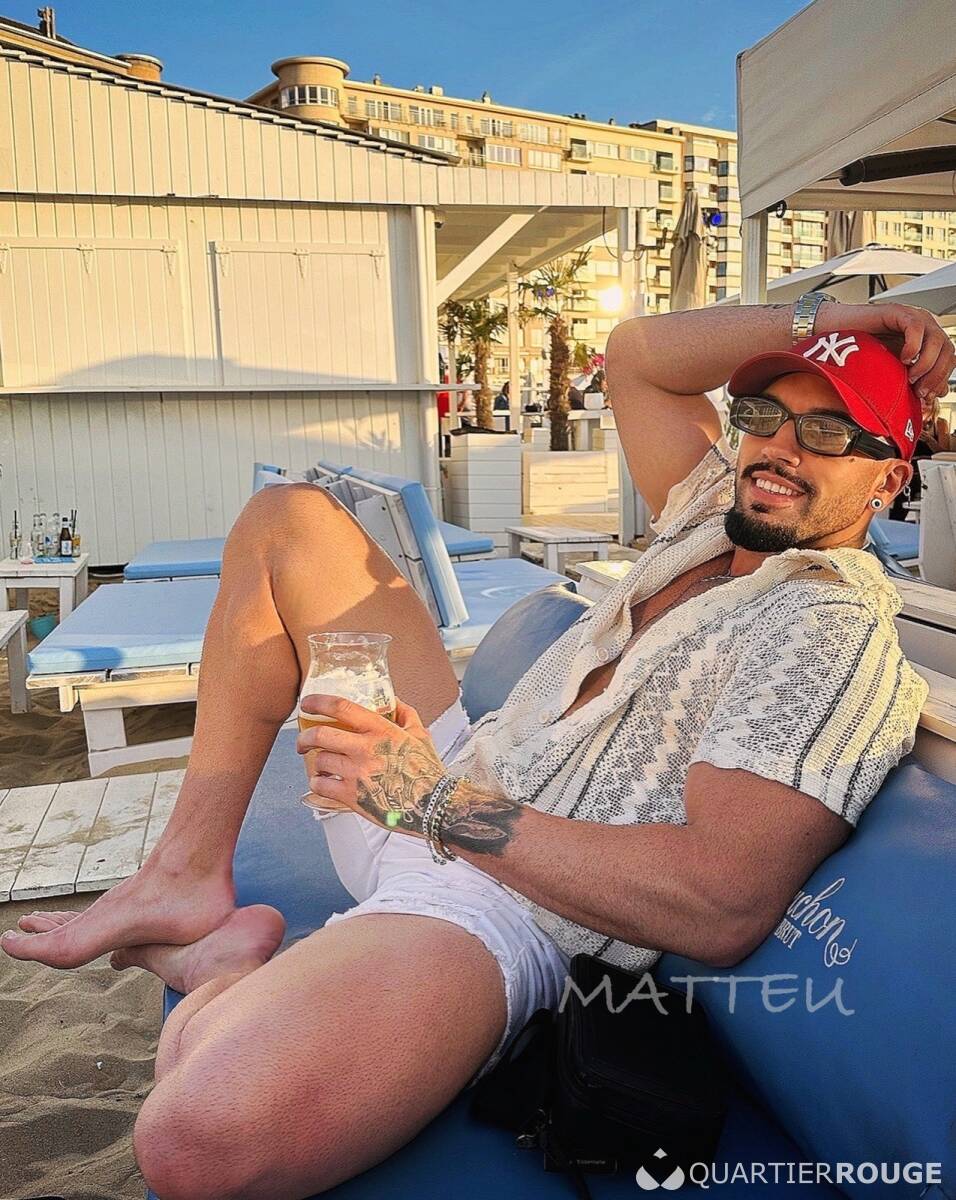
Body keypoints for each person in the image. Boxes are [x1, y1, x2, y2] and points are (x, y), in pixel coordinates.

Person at [3, 300, 951, 1200]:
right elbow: (637, 355)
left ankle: (221, 973)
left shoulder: (827, 629)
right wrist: (836, 320)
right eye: (764, 416)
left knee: (191, 1143)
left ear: (889, 478)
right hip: (454, 775)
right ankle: (185, 874)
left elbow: (720, 900)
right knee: (290, 522)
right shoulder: (713, 512)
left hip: (511, 901)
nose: (781, 448)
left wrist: (433, 805)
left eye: (830, 432)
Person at [888, 391, 952, 520]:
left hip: (929, 468)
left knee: (910, 480)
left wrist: (930, 441)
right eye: (920, 403)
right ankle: (897, 519)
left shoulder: (940, 424)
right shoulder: (908, 422)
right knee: (903, 477)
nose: (923, 406)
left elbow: (943, 454)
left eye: (927, 404)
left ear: (934, 406)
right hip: (909, 465)